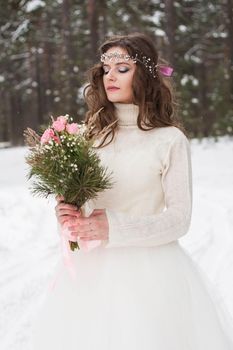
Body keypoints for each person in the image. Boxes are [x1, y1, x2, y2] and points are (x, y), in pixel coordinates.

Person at [31, 32, 233, 349]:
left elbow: (180, 219)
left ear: (145, 75)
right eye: (106, 68)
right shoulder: (88, 136)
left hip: (153, 277)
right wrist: (68, 213)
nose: (110, 75)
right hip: (92, 277)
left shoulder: (169, 140)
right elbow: (84, 207)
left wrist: (116, 226)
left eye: (122, 67)